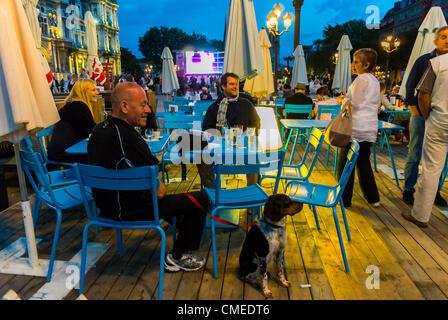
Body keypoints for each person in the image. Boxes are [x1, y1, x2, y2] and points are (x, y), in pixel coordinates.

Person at [88, 82, 210, 271]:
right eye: (143, 104)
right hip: (130, 210)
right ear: (124, 106)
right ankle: (177, 256)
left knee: (181, 202)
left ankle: (184, 237)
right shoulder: (129, 138)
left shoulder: (98, 130)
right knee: (200, 198)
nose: (148, 109)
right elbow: (159, 192)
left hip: (104, 207)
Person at [402, 26, 448, 206]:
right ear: (435, 41)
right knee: (415, 152)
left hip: (442, 119)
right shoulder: (424, 61)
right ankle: (409, 189)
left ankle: (434, 191)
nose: (447, 40)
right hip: (421, 116)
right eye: (443, 37)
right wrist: (415, 112)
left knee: (440, 159)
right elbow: (410, 87)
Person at [336, 48, 380, 208]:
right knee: (363, 163)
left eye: (356, 61)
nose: (352, 64)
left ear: (366, 64)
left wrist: (344, 100)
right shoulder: (375, 81)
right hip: (369, 128)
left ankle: (344, 199)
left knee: (345, 164)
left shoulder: (361, 80)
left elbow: (355, 103)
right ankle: (373, 197)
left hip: (355, 128)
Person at [199, 72, 260, 188]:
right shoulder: (214, 108)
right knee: (201, 157)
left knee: (254, 156)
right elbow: (206, 129)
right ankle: (211, 192)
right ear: (223, 86)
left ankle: (252, 194)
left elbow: (256, 124)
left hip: (243, 146)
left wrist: (247, 138)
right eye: (232, 84)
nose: (235, 86)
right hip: (219, 148)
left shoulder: (246, 104)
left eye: (236, 84)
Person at [47, 79, 98, 164]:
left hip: (55, 156)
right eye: (93, 90)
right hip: (66, 158)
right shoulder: (80, 107)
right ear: (83, 92)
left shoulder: (71, 105)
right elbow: (93, 131)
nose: (97, 93)